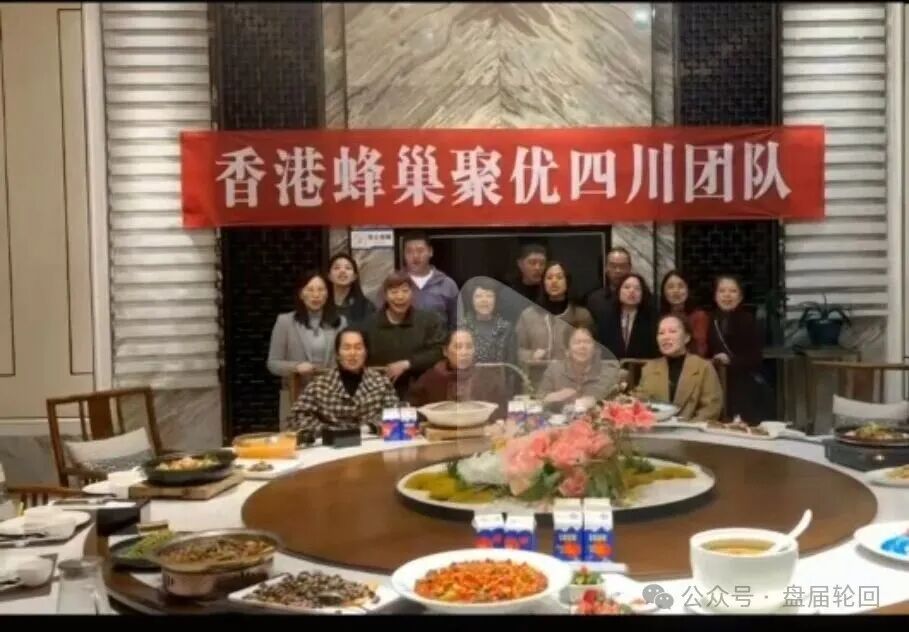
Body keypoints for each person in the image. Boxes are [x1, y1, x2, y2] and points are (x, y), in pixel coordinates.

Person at [285, 328, 400, 437]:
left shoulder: (381, 383)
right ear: (338, 354)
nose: (352, 353)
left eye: (358, 348)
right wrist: (328, 432)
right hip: (330, 444)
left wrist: (369, 428)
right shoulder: (319, 385)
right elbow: (296, 418)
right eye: (346, 348)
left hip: (371, 443)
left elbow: (396, 414)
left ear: (366, 352)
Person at [267, 271, 346, 420]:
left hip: (331, 397)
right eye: (310, 290)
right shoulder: (285, 322)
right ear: (301, 294)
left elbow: (344, 359)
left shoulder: (340, 322)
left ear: (328, 294)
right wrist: (296, 367)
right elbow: (273, 363)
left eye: (321, 290)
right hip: (296, 395)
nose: (316, 295)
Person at [362, 271, 447, 399]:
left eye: (405, 291)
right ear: (385, 295)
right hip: (378, 393)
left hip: (420, 392)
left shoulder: (430, 321)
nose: (400, 296)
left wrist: (408, 364)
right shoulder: (369, 325)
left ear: (412, 293)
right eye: (394, 292)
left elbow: (439, 351)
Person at [635, 314, 723, 421]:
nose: (665, 337)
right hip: (657, 427)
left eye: (672, 331)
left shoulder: (703, 367)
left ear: (686, 337)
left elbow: (711, 407)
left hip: (692, 428)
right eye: (661, 333)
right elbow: (640, 402)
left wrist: (689, 426)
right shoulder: (649, 368)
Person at [408, 329, 508, 419]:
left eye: (469, 347)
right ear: (445, 351)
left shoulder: (487, 377)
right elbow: (414, 410)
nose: (464, 352)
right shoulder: (430, 378)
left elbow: (502, 411)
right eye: (458, 347)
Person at [707, 275, 764, 424]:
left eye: (732, 291)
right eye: (722, 291)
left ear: (740, 297)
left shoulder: (748, 320)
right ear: (715, 296)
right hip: (717, 385)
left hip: (744, 387)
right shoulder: (711, 320)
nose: (727, 295)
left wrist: (731, 361)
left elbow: (756, 358)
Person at [516, 261, 595, 364]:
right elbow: (516, 350)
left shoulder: (582, 315)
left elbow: (594, 350)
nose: (554, 281)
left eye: (559, 277)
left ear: (567, 282)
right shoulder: (528, 316)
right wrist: (531, 355)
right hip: (538, 372)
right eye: (549, 278)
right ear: (543, 283)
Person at [384, 231, 459, 330]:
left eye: (420, 251)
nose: (415, 256)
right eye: (409, 251)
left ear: (430, 251)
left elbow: (456, 324)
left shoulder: (447, 284)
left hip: (438, 339)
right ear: (404, 254)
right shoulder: (393, 283)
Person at [538, 327, 622, 410]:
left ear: (595, 347)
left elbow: (613, 400)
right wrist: (556, 396)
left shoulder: (609, 371)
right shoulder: (554, 370)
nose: (582, 347)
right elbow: (540, 400)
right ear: (567, 349)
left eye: (587, 342)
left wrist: (590, 401)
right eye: (577, 342)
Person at [598, 273, 658, 361]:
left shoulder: (651, 318)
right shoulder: (606, 317)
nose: (631, 291)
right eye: (627, 287)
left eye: (637, 288)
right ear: (619, 291)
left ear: (643, 294)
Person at [459, 277, 516, 365]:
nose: (484, 300)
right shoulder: (462, 326)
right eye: (478, 296)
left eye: (489, 296)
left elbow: (512, 364)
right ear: (471, 300)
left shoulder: (506, 328)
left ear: (496, 299)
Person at [660, 270, 710, 357]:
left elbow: (700, 349)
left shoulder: (699, 316)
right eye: (670, 287)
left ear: (688, 290)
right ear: (664, 292)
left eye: (681, 286)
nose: (676, 291)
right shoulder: (659, 317)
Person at [501, 243, 547, 324]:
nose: (537, 268)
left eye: (542, 263)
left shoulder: (549, 291)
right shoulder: (509, 294)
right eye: (532, 263)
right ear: (520, 264)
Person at [328, 253, 376, 327]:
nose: (342, 271)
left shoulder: (366, 306)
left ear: (354, 276)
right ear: (329, 276)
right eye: (337, 268)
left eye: (348, 268)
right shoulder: (322, 304)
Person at [586, 246, 633, 321]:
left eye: (622, 266)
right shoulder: (595, 300)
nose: (618, 270)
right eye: (613, 266)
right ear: (606, 268)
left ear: (630, 268)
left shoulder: (640, 297)